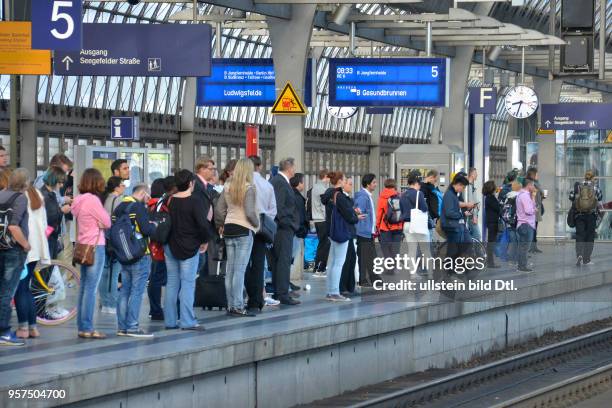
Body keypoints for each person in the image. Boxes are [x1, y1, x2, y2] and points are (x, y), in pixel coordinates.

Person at [164, 170, 210, 330]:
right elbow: (202, 224)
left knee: (172, 283)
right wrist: (205, 241)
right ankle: (187, 321)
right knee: (188, 284)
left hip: (170, 246)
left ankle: (170, 321)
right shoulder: (195, 201)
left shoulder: (169, 200)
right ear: (191, 183)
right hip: (190, 247)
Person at [215, 159, 259, 317]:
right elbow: (249, 212)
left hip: (228, 229)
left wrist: (221, 224)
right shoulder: (249, 188)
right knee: (239, 271)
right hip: (244, 229)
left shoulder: (227, 186)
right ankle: (238, 306)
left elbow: (219, 209)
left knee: (231, 270)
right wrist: (257, 224)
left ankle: (230, 305)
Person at [71, 168, 112, 339]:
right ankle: (87, 327)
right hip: (95, 247)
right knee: (91, 289)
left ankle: (82, 326)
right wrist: (100, 223)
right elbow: (107, 222)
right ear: (97, 182)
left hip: (82, 247)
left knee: (84, 288)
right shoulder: (94, 200)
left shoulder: (78, 199)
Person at [114, 184, 158, 338]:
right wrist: (155, 226)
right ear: (143, 193)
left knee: (124, 291)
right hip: (140, 254)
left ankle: (122, 327)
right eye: (148, 195)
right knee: (137, 292)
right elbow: (146, 230)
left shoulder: (119, 207)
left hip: (124, 255)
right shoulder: (138, 207)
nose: (149, 199)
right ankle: (132, 327)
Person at [0, 169, 32, 346]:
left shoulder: (1, 195)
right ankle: (4, 331)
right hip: (13, 250)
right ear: (25, 183)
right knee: (7, 292)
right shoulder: (20, 198)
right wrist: (26, 245)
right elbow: (14, 227)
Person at [15, 181, 49, 340]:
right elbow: (45, 223)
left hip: (24, 246)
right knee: (26, 288)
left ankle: (23, 328)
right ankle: (32, 327)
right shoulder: (36, 194)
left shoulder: (19, 197)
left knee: (20, 289)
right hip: (36, 247)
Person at [321, 172, 361, 301]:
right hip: (342, 232)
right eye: (345, 181)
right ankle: (334, 292)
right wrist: (356, 216)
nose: (346, 183)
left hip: (333, 232)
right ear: (340, 181)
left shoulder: (330, 194)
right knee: (338, 263)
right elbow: (349, 216)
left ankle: (330, 291)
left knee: (332, 263)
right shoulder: (340, 196)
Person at [246, 156, 279, 309]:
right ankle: (257, 299)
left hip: (244, 227)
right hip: (261, 228)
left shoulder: (242, 183)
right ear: (259, 166)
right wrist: (264, 223)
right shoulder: (267, 185)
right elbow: (273, 210)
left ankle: (247, 296)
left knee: (244, 264)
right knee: (259, 264)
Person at [270, 158, 300, 305]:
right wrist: (289, 224)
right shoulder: (280, 183)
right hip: (283, 229)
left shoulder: (278, 181)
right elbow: (279, 207)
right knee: (283, 260)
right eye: (293, 167)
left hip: (281, 228)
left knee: (279, 261)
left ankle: (278, 291)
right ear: (288, 168)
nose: (295, 170)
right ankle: (282, 293)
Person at [98, 176, 125, 314]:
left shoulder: (105, 199)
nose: (124, 187)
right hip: (115, 240)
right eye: (122, 185)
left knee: (104, 273)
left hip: (104, 239)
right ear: (116, 187)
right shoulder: (118, 200)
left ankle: (104, 303)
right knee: (114, 274)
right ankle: (112, 304)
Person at [147, 178, 170, 321]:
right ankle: (157, 310)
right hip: (162, 247)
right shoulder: (162, 205)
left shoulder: (148, 205)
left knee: (154, 278)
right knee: (158, 279)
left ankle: (153, 309)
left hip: (152, 245)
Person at [400, 173, 431, 276]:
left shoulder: (402, 195)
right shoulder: (419, 194)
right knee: (425, 250)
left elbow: (402, 209)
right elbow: (425, 208)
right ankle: (431, 274)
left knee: (411, 250)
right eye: (419, 184)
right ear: (416, 183)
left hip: (407, 225)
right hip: (418, 224)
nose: (420, 186)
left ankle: (413, 274)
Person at [569, 170, 602, 266]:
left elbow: (571, 197)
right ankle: (587, 259)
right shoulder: (595, 187)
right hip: (591, 215)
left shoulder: (578, 186)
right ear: (593, 178)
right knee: (589, 237)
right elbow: (600, 197)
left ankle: (579, 254)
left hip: (579, 215)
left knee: (580, 235)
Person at [193, 156, 218, 277]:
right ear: (202, 169)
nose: (213, 171)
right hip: (197, 236)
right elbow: (200, 213)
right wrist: (203, 237)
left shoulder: (203, 185)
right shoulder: (196, 185)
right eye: (211, 168)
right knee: (195, 271)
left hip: (202, 233)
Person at [353, 173, 378, 286]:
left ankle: (373, 278)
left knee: (370, 256)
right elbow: (359, 211)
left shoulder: (367, 195)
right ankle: (363, 280)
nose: (376, 184)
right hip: (363, 232)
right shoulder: (363, 196)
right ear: (368, 184)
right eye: (374, 182)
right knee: (365, 257)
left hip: (367, 232)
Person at [441, 175, 470, 265]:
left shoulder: (453, 194)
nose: (463, 189)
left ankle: (452, 270)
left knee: (458, 247)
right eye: (463, 187)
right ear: (458, 184)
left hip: (455, 225)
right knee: (452, 250)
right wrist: (462, 214)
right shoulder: (449, 195)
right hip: (451, 226)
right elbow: (449, 213)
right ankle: (449, 272)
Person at [376, 179, 404, 269]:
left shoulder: (382, 197)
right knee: (395, 248)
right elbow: (402, 211)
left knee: (386, 248)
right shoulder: (399, 196)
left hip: (385, 227)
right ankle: (393, 266)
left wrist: (377, 226)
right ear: (394, 185)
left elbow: (379, 213)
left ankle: (389, 267)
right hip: (398, 227)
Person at [339, 177, 359, 295]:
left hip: (350, 232)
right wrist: (355, 216)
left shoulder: (349, 199)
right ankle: (343, 287)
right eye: (350, 184)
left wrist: (355, 212)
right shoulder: (342, 198)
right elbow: (347, 215)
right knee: (346, 260)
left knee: (352, 258)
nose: (351, 186)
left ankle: (350, 286)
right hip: (345, 232)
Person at [311, 169, 330, 277]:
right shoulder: (322, 188)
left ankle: (317, 267)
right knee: (325, 243)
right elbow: (324, 205)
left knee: (322, 243)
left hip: (317, 220)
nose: (329, 180)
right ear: (325, 176)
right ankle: (320, 268)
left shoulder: (316, 187)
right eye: (329, 178)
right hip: (322, 219)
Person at [516, 179, 537, 272]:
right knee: (525, 247)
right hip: (526, 224)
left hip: (524, 224)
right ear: (528, 185)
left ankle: (521, 265)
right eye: (533, 185)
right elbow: (528, 210)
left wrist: (533, 197)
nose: (534, 187)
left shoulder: (523, 194)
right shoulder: (524, 196)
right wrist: (534, 210)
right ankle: (522, 266)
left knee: (523, 246)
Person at [290, 173, 309, 271]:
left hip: (293, 231)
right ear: (299, 183)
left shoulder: (291, 194)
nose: (304, 185)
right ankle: (286, 282)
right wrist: (301, 230)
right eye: (303, 182)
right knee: (291, 257)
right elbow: (300, 216)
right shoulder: (297, 197)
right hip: (296, 232)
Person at [483, 180, 501, 268]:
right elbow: (498, 208)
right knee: (491, 242)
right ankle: (490, 262)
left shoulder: (488, 197)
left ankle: (490, 261)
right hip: (492, 222)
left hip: (491, 222)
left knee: (491, 242)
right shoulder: (491, 198)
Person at [526, 167, 544, 254]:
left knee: (534, 228)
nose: (538, 175)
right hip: (532, 209)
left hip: (536, 208)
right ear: (533, 175)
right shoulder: (530, 184)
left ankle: (534, 247)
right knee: (532, 228)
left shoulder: (536, 183)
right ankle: (531, 247)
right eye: (536, 174)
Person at [465, 168, 481, 241]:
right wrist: (474, 216)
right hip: (471, 216)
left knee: (472, 236)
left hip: (471, 215)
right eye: (476, 173)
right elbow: (471, 203)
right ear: (472, 174)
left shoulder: (470, 186)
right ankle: (474, 252)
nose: (477, 175)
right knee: (477, 236)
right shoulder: (469, 186)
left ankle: (469, 251)